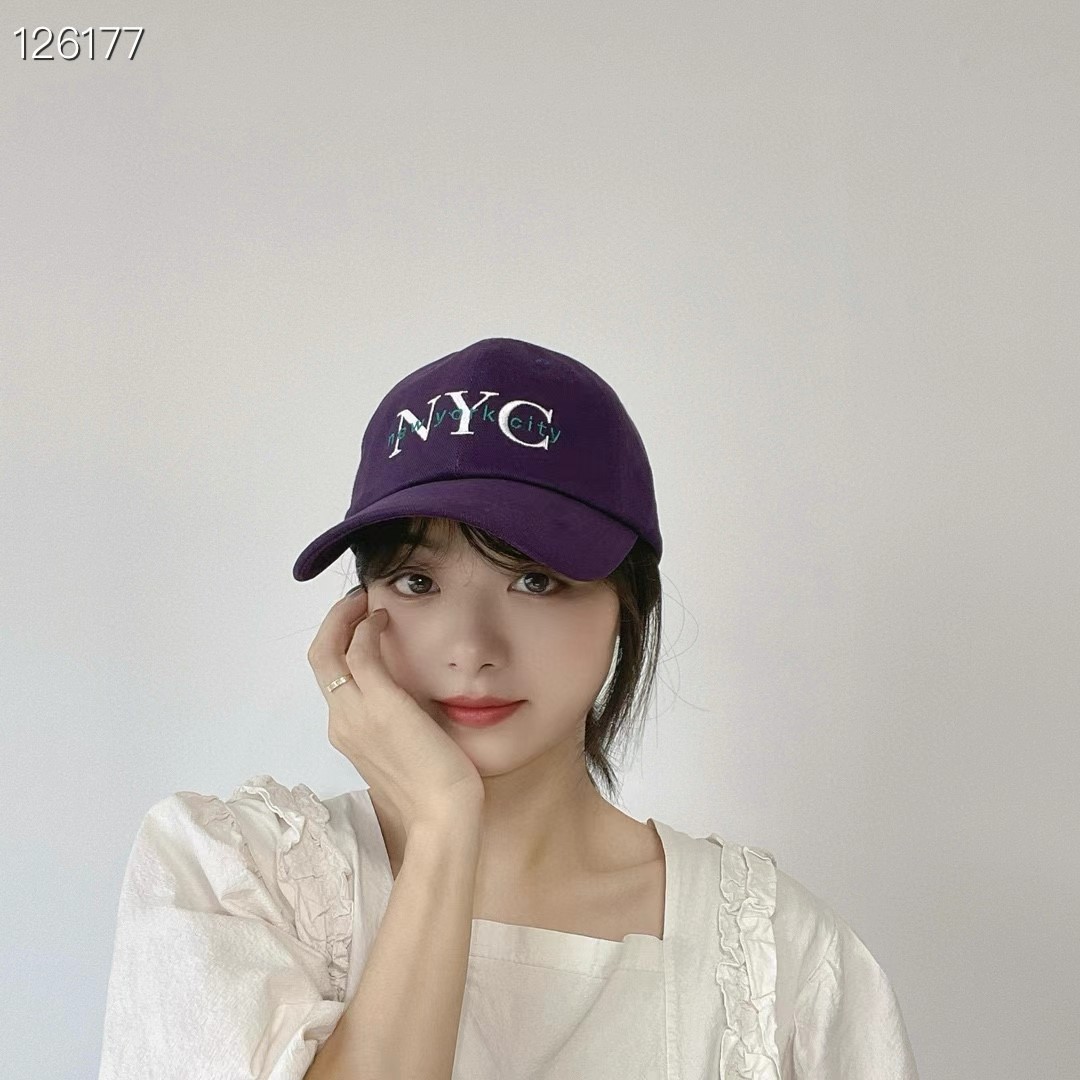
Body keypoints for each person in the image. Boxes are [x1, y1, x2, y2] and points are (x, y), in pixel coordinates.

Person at [97, 337, 920, 1079]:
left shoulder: (776, 961)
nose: (471, 648)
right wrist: (444, 825)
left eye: (534, 579)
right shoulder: (233, 883)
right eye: (416, 581)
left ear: (627, 604)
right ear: (359, 608)